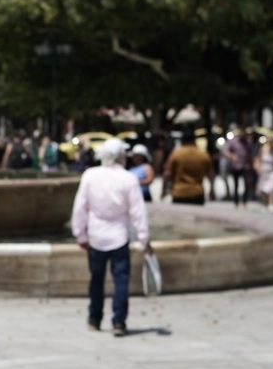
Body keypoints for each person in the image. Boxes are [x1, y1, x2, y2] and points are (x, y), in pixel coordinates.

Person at [71, 138, 151, 337]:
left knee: (96, 280)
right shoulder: (129, 179)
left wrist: (80, 234)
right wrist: (144, 237)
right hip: (119, 237)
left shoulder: (90, 176)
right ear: (121, 157)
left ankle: (94, 318)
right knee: (121, 281)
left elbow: (80, 207)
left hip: (96, 236)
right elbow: (138, 212)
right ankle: (119, 321)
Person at [163, 135, 215, 205]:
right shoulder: (203, 155)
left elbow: (167, 174)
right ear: (194, 141)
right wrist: (212, 190)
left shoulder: (175, 154)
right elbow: (211, 174)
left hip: (179, 192)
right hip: (197, 193)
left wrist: (164, 190)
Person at [223, 126, 254, 207]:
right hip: (235, 166)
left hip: (245, 165)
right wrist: (233, 156)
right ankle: (236, 202)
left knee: (246, 184)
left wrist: (251, 164)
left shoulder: (248, 142)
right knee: (236, 185)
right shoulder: (233, 142)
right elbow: (226, 152)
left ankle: (244, 201)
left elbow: (251, 153)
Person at [255, 140, 273, 211]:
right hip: (264, 172)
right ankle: (265, 204)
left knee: (271, 189)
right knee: (263, 189)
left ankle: (271, 204)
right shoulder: (263, 149)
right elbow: (258, 159)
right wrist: (258, 168)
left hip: (272, 171)